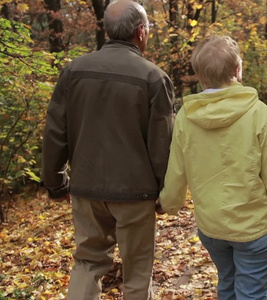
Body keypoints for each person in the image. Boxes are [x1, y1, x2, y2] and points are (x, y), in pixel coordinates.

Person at [41, 0, 175, 298]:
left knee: (87, 263)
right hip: (136, 194)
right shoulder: (154, 77)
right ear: (141, 31)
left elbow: (55, 131)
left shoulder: (73, 71)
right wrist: (166, 192)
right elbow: (162, 143)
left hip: (86, 188)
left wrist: (55, 181)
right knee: (138, 270)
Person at [158, 35, 267, 300]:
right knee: (252, 292)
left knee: (227, 282)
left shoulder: (186, 117)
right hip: (253, 228)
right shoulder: (257, 112)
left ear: (199, 75)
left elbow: (177, 170)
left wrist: (168, 204)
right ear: (237, 71)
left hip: (212, 228)